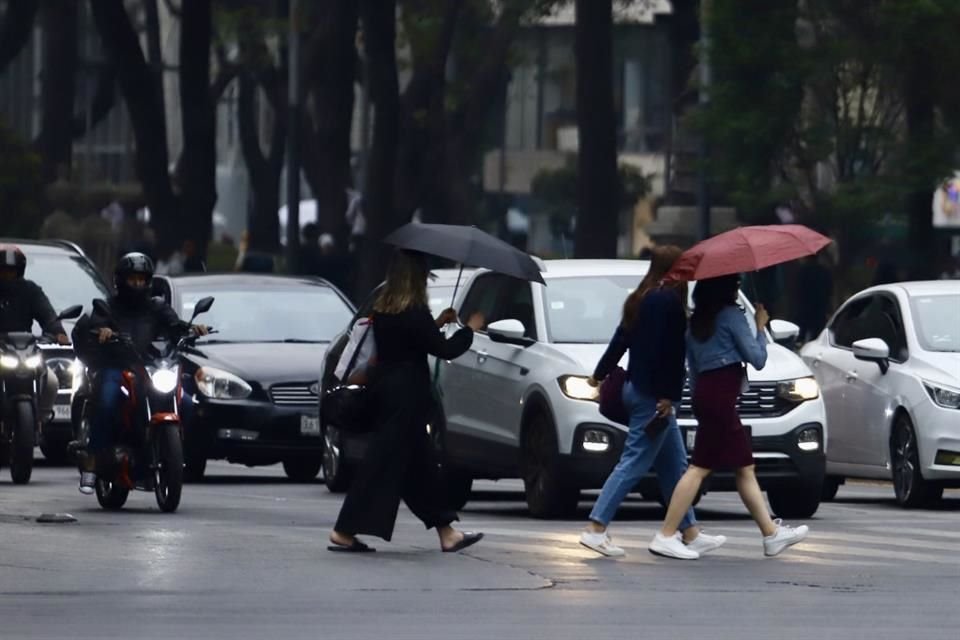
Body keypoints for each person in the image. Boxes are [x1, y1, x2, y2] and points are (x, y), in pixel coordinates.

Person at [329, 249, 485, 553]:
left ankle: (447, 531)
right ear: (416, 279)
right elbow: (444, 350)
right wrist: (470, 330)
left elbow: (411, 341)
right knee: (380, 465)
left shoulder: (385, 308)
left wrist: (438, 321)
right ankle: (343, 531)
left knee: (421, 467)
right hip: (406, 398)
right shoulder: (414, 311)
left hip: (387, 393)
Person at [579, 246, 726, 558]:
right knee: (633, 462)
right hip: (652, 396)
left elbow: (621, 339)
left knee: (675, 465)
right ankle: (595, 527)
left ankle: (690, 531)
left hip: (636, 387)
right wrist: (668, 396)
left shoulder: (642, 297)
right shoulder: (669, 302)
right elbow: (669, 355)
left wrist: (598, 375)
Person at [651, 274, 809, 560]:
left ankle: (770, 533)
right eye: (735, 285)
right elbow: (758, 359)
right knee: (700, 468)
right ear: (725, 289)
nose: (738, 289)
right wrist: (760, 327)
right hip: (722, 399)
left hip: (707, 398)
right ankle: (665, 534)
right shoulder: (731, 316)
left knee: (743, 467)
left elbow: (695, 371)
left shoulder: (695, 323)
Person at [72, 253, 209, 494]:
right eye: (132, 279)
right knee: (106, 399)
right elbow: (97, 322)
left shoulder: (157, 306)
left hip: (150, 367)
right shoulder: (108, 306)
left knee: (187, 404)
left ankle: (169, 453)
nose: (137, 284)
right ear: (121, 280)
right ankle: (93, 462)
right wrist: (102, 330)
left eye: (141, 279)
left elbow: (174, 325)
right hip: (117, 366)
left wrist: (192, 329)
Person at [0, 245, 70, 424]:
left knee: (52, 381)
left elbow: (47, 313)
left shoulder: (30, 290)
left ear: (20, 271)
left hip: (23, 350)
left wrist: (57, 331)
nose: (8, 276)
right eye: (4, 271)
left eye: (12, 272)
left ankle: (40, 419)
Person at [795, 251, 834, 343]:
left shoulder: (803, 271)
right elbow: (829, 291)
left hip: (805, 308)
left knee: (801, 335)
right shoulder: (825, 271)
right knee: (817, 337)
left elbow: (799, 290)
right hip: (820, 309)